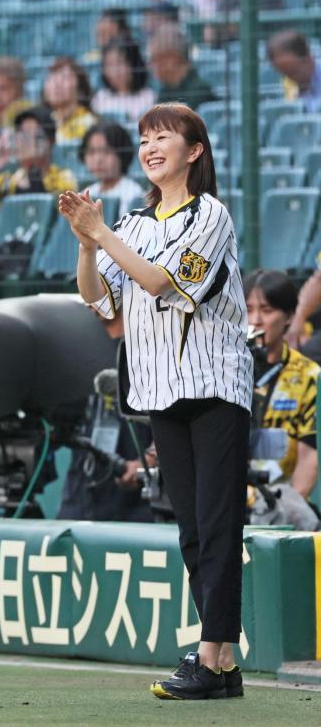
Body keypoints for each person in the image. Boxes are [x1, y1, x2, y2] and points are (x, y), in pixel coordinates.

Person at [60, 102, 252, 700]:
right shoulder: (133, 223)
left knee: (217, 523)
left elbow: (162, 283)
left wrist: (102, 235)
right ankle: (221, 663)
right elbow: (99, 300)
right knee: (191, 528)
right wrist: (87, 246)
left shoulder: (210, 213)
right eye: (144, 138)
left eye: (163, 136)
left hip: (215, 385)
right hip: (159, 391)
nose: (150, 146)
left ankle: (211, 654)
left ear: (194, 151)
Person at [57, 312, 154, 523]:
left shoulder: (156, 341)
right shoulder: (73, 343)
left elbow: (181, 415)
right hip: (80, 497)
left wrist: (150, 460)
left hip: (139, 502)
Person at [244, 270, 319, 499]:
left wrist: (288, 510)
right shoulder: (222, 371)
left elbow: (309, 459)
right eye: (248, 310)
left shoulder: (309, 377)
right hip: (223, 502)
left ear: (289, 316)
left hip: (280, 504)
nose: (255, 320)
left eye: (266, 310)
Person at [0, 107, 77, 202]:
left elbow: (42, 207)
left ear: (47, 141)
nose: (19, 140)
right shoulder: (7, 181)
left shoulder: (62, 179)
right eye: (19, 132)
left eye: (27, 134)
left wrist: (33, 169)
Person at [79, 121, 144, 214]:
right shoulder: (87, 194)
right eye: (91, 151)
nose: (98, 159)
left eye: (106, 151)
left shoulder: (133, 195)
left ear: (122, 155)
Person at [148, 25, 217, 111]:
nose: (151, 65)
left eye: (155, 59)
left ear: (172, 59)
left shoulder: (199, 91)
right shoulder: (165, 91)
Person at [91, 36, 156, 122]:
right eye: (109, 64)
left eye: (120, 62)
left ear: (133, 64)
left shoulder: (148, 97)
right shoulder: (100, 99)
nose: (115, 71)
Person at [42, 57, 98, 143]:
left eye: (64, 78)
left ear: (80, 89)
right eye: (52, 78)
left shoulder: (88, 123)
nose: (57, 84)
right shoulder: (44, 122)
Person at [267, 30, 321, 114]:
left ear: (308, 59)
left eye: (293, 72)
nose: (290, 78)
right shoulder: (288, 85)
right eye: (284, 73)